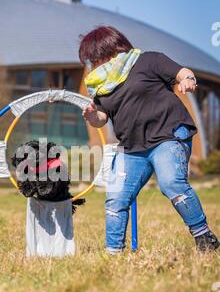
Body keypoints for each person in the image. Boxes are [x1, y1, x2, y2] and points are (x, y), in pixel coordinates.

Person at [79, 26, 219, 254]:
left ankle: (204, 238)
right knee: (116, 197)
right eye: (90, 60)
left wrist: (188, 80)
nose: (94, 64)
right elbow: (102, 119)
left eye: (95, 57)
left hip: (168, 135)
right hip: (132, 148)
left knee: (171, 182)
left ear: (111, 49)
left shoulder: (147, 61)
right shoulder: (102, 85)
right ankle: (113, 254)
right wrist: (92, 116)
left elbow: (182, 72)